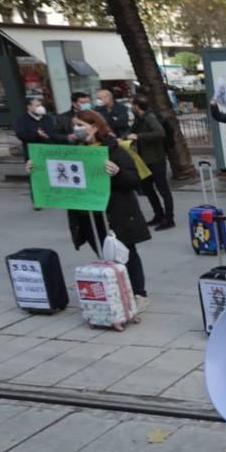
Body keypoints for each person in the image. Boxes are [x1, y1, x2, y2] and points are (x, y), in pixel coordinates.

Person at [29, 111, 150, 307]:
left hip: (116, 214)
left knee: (125, 254)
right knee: (104, 255)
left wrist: (118, 173)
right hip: (88, 216)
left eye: (80, 125)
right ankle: (117, 288)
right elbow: (55, 173)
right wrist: (36, 169)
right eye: (74, 126)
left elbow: (134, 180)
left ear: (94, 127)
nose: (76, 130)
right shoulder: (74, 151)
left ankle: (138, 293)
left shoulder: (115, 150)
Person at [129, 96, 175, 230]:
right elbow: (131, 131)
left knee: (163, 190)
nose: (132, 108)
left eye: (133, 105)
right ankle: (158, 215)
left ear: (137, 106)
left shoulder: (150, 118)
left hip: (156, 159)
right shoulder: (139, 119)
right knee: (148, 189)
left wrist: (139, 137)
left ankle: (169, 218)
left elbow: (160, 133)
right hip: (144, 160)